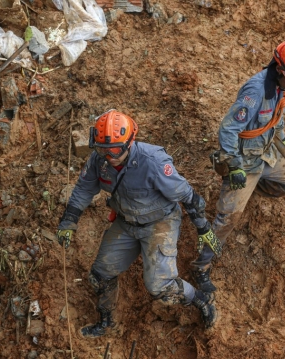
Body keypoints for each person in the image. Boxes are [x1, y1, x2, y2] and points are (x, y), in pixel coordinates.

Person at [57, 110, 221, 337]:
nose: (108, 155)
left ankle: (201, 299)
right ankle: (108, 322)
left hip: (159, 223)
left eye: (114, 149)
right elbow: (84, 189)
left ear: (129, 142)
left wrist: (203, 227)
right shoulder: (99, 160)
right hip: (126, 222)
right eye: (102, 148)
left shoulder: (153, 162)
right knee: (100, 275)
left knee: (159, 287)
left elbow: (186, 195)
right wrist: (68, 221)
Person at [190, 40, 285, 292]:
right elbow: (228, 128)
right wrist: (234, 165)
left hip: (266, 154)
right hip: (244, 162)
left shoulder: (282, 87)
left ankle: (254, 190)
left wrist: (282, 142)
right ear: (282, 71)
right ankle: (201, 264)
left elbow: (277, 120)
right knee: (228, 218)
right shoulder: (256, 91)